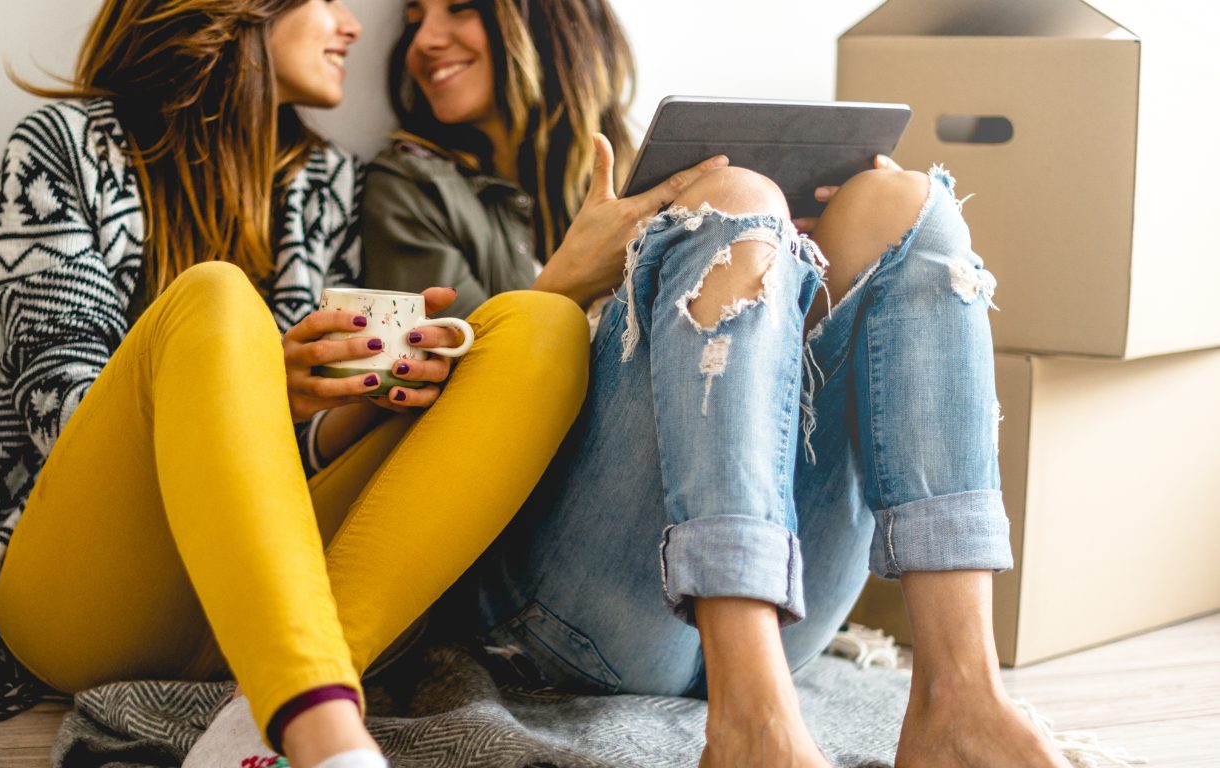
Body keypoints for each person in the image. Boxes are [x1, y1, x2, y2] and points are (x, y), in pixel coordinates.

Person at [0, 2, 595, 767]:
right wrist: (264, 378)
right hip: (91, 597)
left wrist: (363, 398)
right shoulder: (62, 148)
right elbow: (59, 413)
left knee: (542, 328)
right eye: (329, 1)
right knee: (216, 298)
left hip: (268, 603)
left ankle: (260, 713)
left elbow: (305, 455)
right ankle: (319, 728)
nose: (354, 26)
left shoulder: (330, 183)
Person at [360, 1, 1073, 766]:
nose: (424, 40)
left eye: (457, 8)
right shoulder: (410, 185)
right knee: (736, 199)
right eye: (412, 17)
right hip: (568, 611)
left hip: (787, 605)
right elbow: (428, 421)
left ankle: (959, 697)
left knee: (901, 206)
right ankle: (749, 720)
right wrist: (570, 278)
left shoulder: (653, 165)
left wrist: (783, 266)